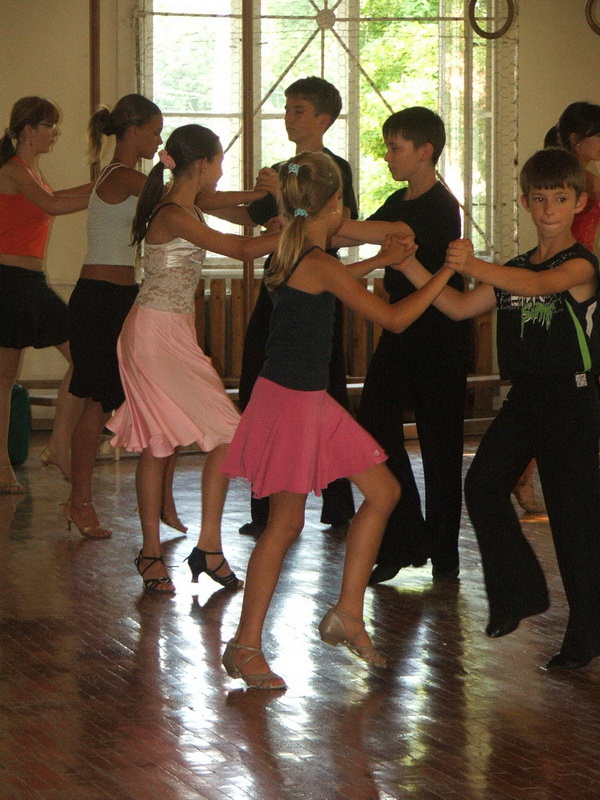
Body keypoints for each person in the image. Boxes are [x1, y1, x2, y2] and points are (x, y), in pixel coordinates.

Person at [220, 151, 457, 689]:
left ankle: (348, 615)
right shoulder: (315, 260)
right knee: (285, 525)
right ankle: (245, 646)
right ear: (335, 204)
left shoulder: (294, 248)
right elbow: (394, 318)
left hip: (303, 400)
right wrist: (445, 273)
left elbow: (327, 280)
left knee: (383, 492)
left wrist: (376, 261)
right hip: (292, 404)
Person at [404, 147, 600, 671]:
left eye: (561, 198)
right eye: (540, 198)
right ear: (525, 203)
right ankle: (520, 591)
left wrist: (472, 264)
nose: (550, 209)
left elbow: (539, 285)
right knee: (482, 486)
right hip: (526, 401)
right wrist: (410, 264)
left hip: (571, 401)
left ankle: (585, 632)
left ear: (579, 203)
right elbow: (457, 306)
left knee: (573, 521)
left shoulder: (581, 264)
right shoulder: (512, 269)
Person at [106, 124, 280, 593]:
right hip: (153, 334)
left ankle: (168, 551)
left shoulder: (190, 204)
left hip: (169, 332)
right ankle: (191, 548)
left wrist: (269, 201)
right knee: (225, 433)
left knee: (162, 442)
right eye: (219, 160)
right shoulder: (173, 213)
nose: (222, 169)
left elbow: (235, 212)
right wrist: (296, 231)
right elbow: (243, 248)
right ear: (202, 164)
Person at [202, 76, 359, 536]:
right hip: (279, 285)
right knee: (258, 386)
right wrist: (202, 204)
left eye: (299, 110)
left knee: (327, 391)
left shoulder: (333, 169)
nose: (289, 117)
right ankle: (264, 508)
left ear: (324, 120)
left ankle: (338, 504)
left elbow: (340, 224)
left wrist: (282, 203)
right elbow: (252, 217)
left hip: (317, 290)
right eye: (287, 108)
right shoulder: (280, 168)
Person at [350, 107, 468, 585]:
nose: (387, 156)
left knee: (440, 445)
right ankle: (405, 536)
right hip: (401, 331)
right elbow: (357, 228)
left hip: (440, 337)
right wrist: (307, 219)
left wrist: (327, 221)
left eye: (395, 148)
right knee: (374, 424)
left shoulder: (442, 206)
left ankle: (444, 553)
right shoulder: (398, 200)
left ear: (425, 151)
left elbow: (381, 233)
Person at [63, 94, 170, 539]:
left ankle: (161, 498)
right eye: (154, 131)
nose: (158, 140)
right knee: (96, 403)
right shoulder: (123, 176)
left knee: (143, 395)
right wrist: (253, 198)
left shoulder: (127, 176)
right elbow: (182, 198)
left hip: (124, 296)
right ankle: (79, 502)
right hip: (98, 300)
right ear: (133, 131)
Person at [0, 96, 92, 493]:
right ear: (28, 130)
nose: (55, 133)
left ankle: (56, 443)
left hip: (30, 283)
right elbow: (53, 205)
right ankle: (2, 466)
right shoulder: (13, 170)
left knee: (84, 356)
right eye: (49, 126)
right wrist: (105, 190)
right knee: (4, 380)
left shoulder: (33, 171)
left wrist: (107, 184)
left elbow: (60, 197)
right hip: (8, 282)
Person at [514, 101, 600, 514]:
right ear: (577, 140)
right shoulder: (579, 178)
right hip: (564, 268)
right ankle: (528, 473)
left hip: (575, 272)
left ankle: (530, 473)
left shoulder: (585, 178)